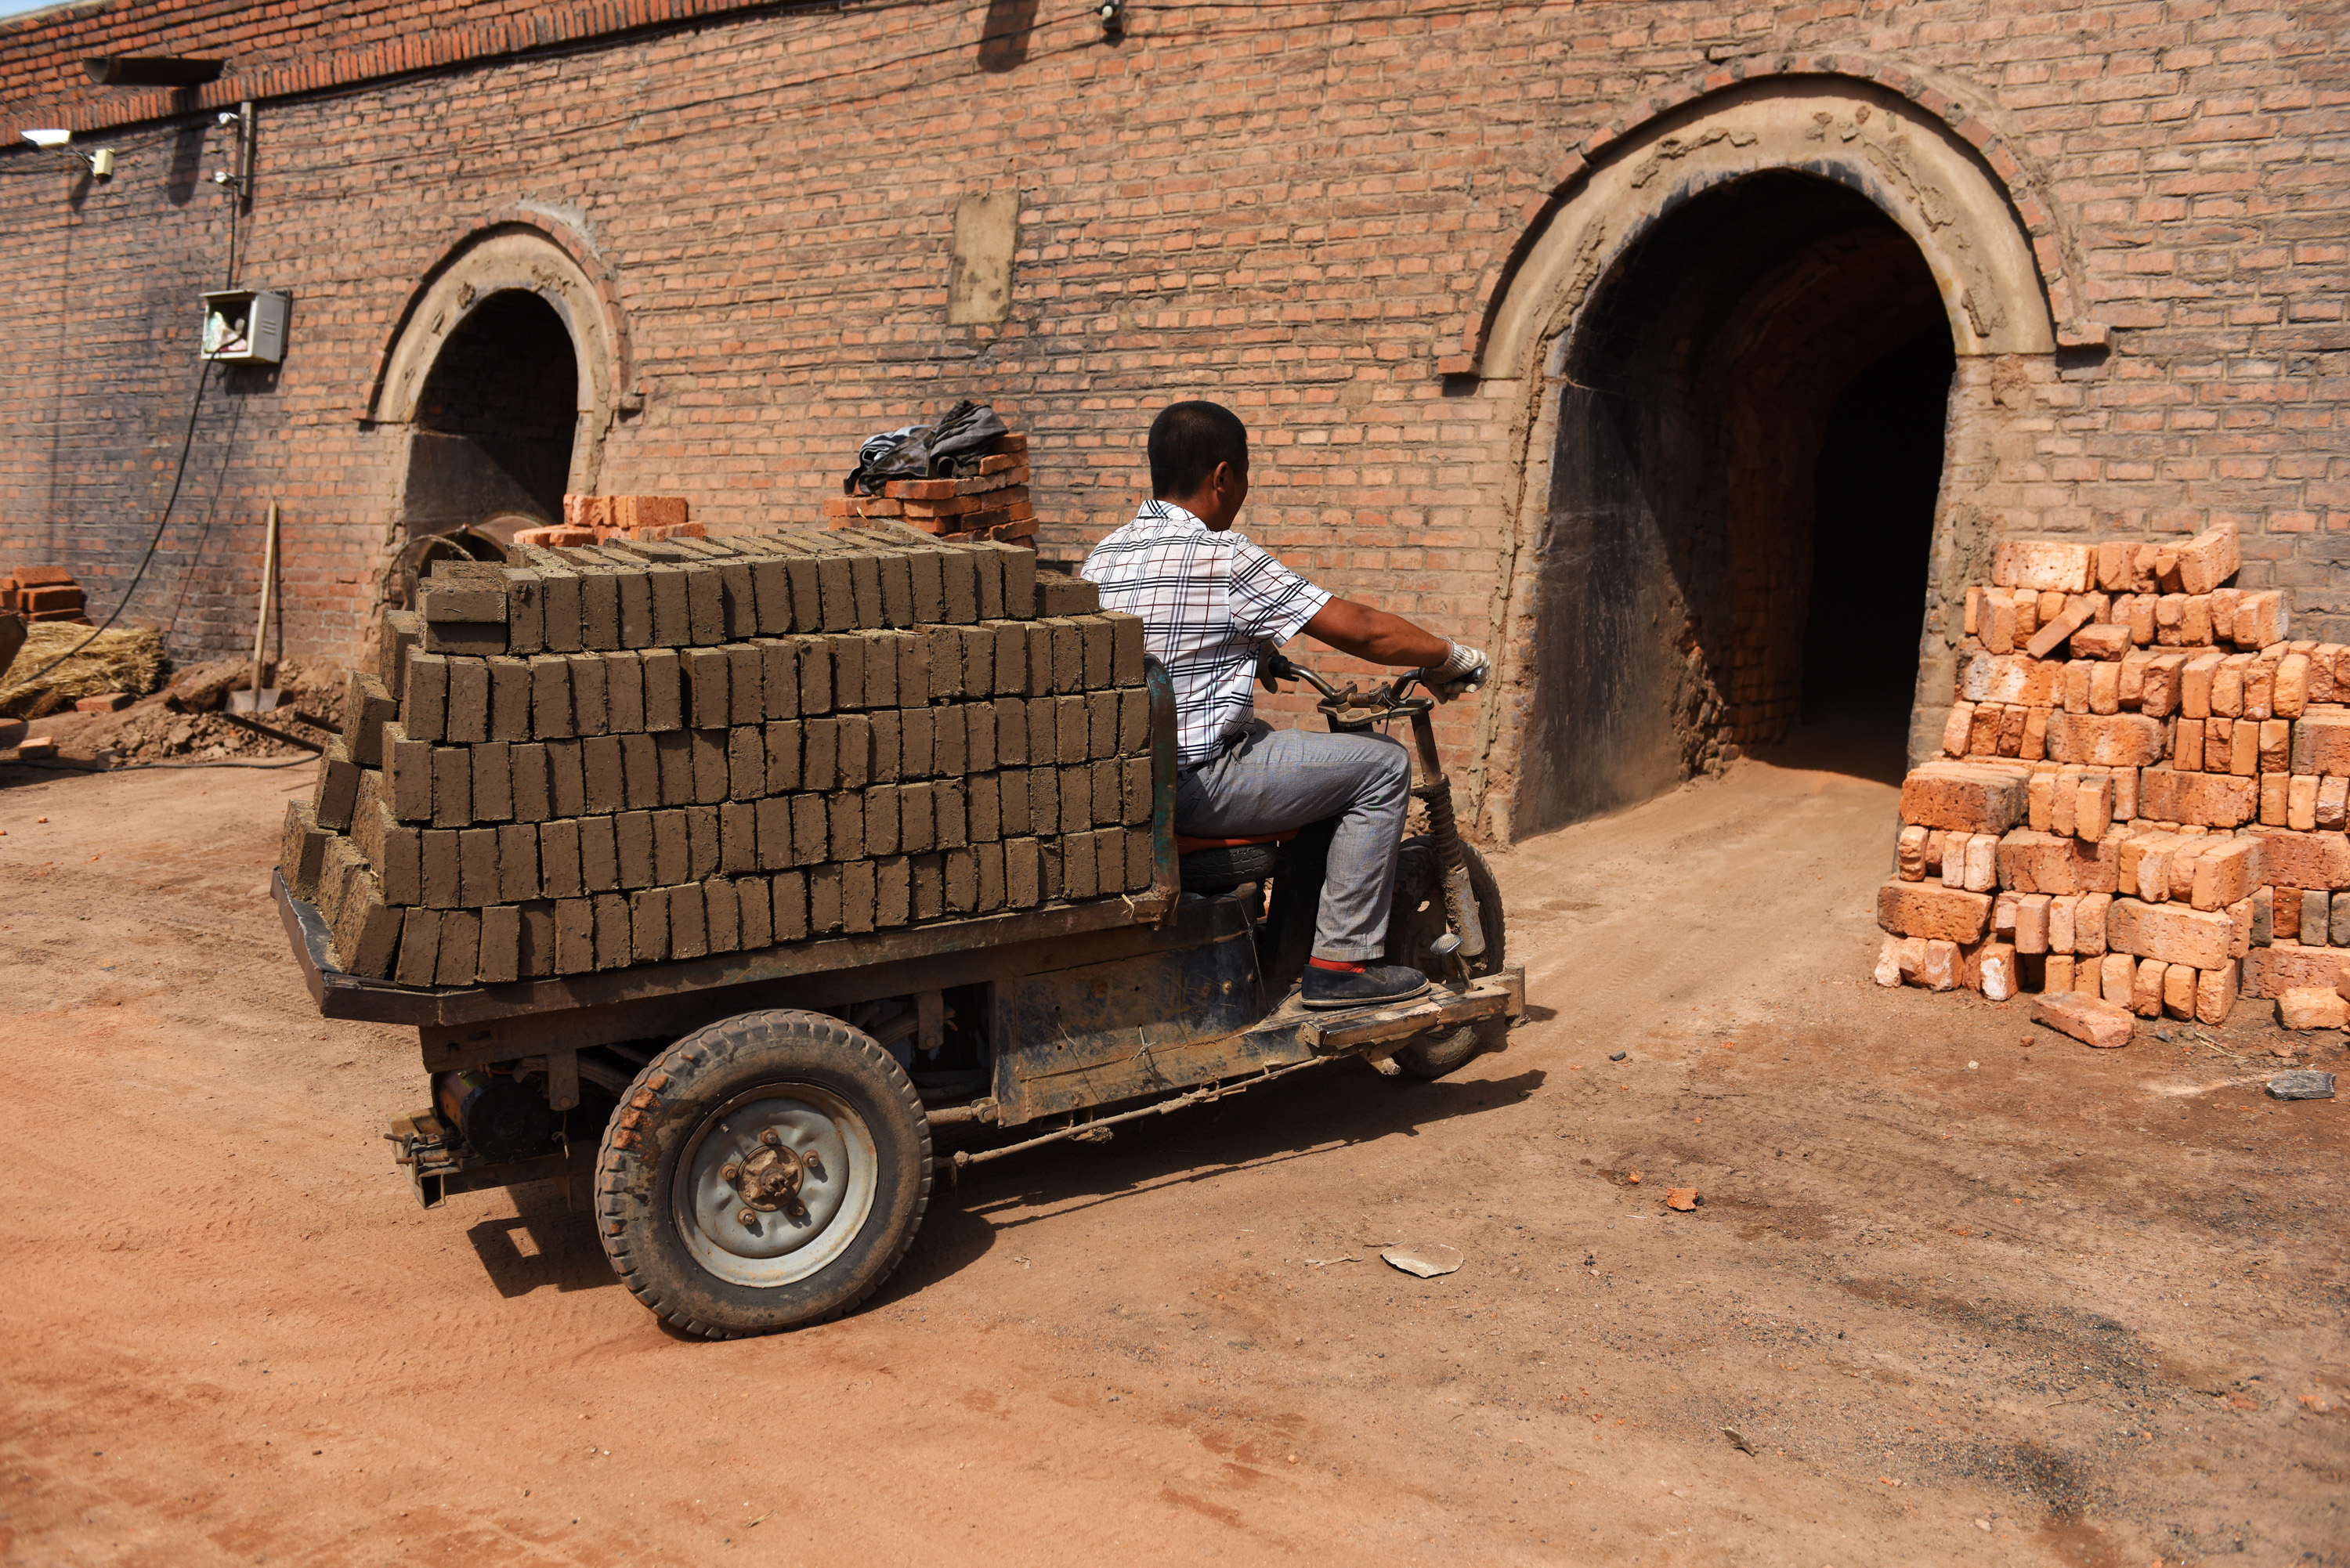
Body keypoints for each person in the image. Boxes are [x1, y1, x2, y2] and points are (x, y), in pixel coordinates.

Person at [1081, 401, 1490, 1010]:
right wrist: (1446, 656)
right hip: (1200, 783)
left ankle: (1286, 944)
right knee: (1381, 765)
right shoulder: (1225, 557)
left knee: (1286, 747)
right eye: (1243, 477)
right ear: (1223, 477)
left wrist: (1257, 652)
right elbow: (1364, 630)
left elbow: (1164, 640)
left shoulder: (1104, 558)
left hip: (1132, 781)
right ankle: (1342, 966)